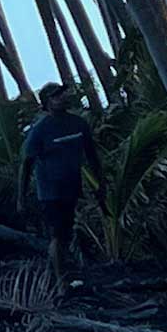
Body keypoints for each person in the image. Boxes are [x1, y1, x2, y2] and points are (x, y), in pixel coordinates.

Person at [19, 82, 105, 285]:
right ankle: (60, 283)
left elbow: (92, 155)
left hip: (72, 187)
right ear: (47, 103)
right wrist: (20, 198)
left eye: (63, 94)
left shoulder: (78, 124)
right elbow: (26, 164)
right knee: (57, 234)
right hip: (50, 191)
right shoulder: (40, 130)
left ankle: (58, 272)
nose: (63, 98)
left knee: (65, 233)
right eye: (56, 96)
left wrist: (101, 184)